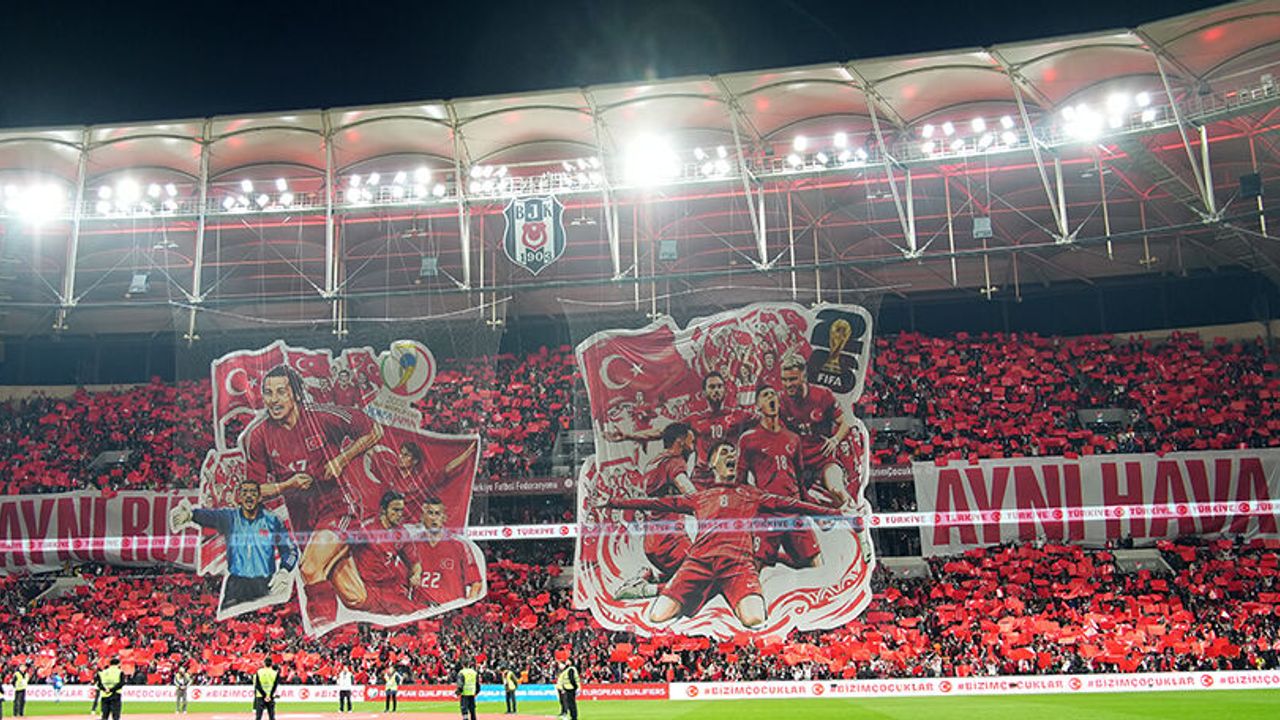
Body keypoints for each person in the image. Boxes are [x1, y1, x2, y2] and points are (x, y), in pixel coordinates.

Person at [602, 441, 848, 628]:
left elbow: (792, 505)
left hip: (737, 566)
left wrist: (832, 512)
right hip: (698, 564)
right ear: (712, 464)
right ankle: (681, 588)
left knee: (754, 619)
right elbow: (656, 503)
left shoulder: (751, 494)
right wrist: (614, 502)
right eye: (725, 452)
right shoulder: (700, 497)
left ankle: (704, 590)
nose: (732, 456)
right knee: (657, 617)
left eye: (734, 453)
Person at [242, 364, 384, 631]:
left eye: (281, 391)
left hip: (337, 508)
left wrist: (341, 459)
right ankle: (393, 616)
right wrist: (287, 485)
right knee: (355, 597)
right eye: (268, 393)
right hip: (303, 521)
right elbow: (253, 491)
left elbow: (374, 430)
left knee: (309, 568)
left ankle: (321, 641)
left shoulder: (322, 417)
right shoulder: (259, 436)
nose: (273, 399)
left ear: (296, 394)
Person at [170, 479, 299, 613]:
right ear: (239, 497)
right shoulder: (230, 517)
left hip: (264, 584)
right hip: (236, 586)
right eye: (245, 492)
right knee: (228, 620)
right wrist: (190, 515)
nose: (249, 496)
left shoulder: (272, 520)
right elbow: (209, 516)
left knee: (262, 618)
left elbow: (290, 549)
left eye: (253, 492)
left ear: (260, 497)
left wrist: (285, 570)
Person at [738, 386, 822, 569]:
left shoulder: (793, 438)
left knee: (816, 563)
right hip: (768, 513)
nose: (771, 397)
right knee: (754, 567)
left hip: (793, 510)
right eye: (765, 395)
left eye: (773, 394)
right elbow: (740, 482)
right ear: (758, 405)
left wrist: (814, 511)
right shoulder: (748, 439)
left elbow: (799, 481)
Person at [340, 491, 415, 614]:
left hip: (391, 587)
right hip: (370, 588)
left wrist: (415, 574)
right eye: (395, 510)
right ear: (383, 510)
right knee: (408, 611)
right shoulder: (366, 529)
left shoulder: (402, 533)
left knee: (414, 611)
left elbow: (414, 562)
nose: (399, 514)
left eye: (401, 510)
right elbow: (342, 545)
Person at [410, 498, 483, 606]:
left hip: (449, 610)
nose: (434, 518)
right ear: (422, 517)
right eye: (430, 513)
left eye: (437, 513)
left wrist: (465, 606)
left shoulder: (459, 545)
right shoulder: (412, 545)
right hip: (421, 610)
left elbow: (476, 583)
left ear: (444, 517)